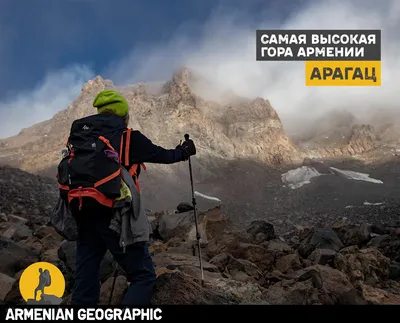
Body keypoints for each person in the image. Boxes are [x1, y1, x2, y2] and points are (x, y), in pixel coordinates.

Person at [70, 90, 196, 305]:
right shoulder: (128, 138)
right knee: (143, 275)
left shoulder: (81, 139)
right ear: (123, 115)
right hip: (114, 214)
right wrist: (184, 151)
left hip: (83, 210)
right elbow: (163, 155)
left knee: (86, 275)